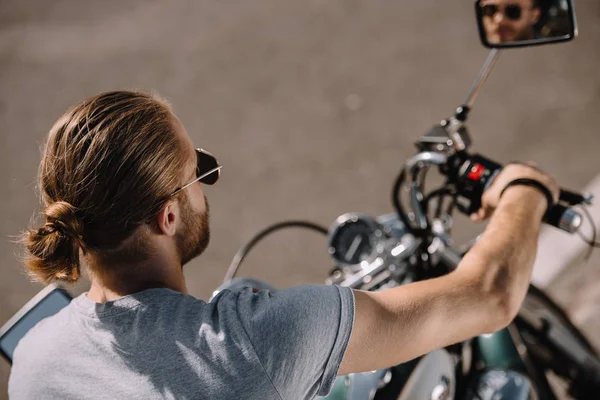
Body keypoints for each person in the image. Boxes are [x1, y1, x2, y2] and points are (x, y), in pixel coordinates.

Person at [8, 90, 559, 399]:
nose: (207, 181)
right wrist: (525, 191)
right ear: (168, 216)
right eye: (199, 170)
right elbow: (489, 294)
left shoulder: (34, 361)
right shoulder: (255, 342)